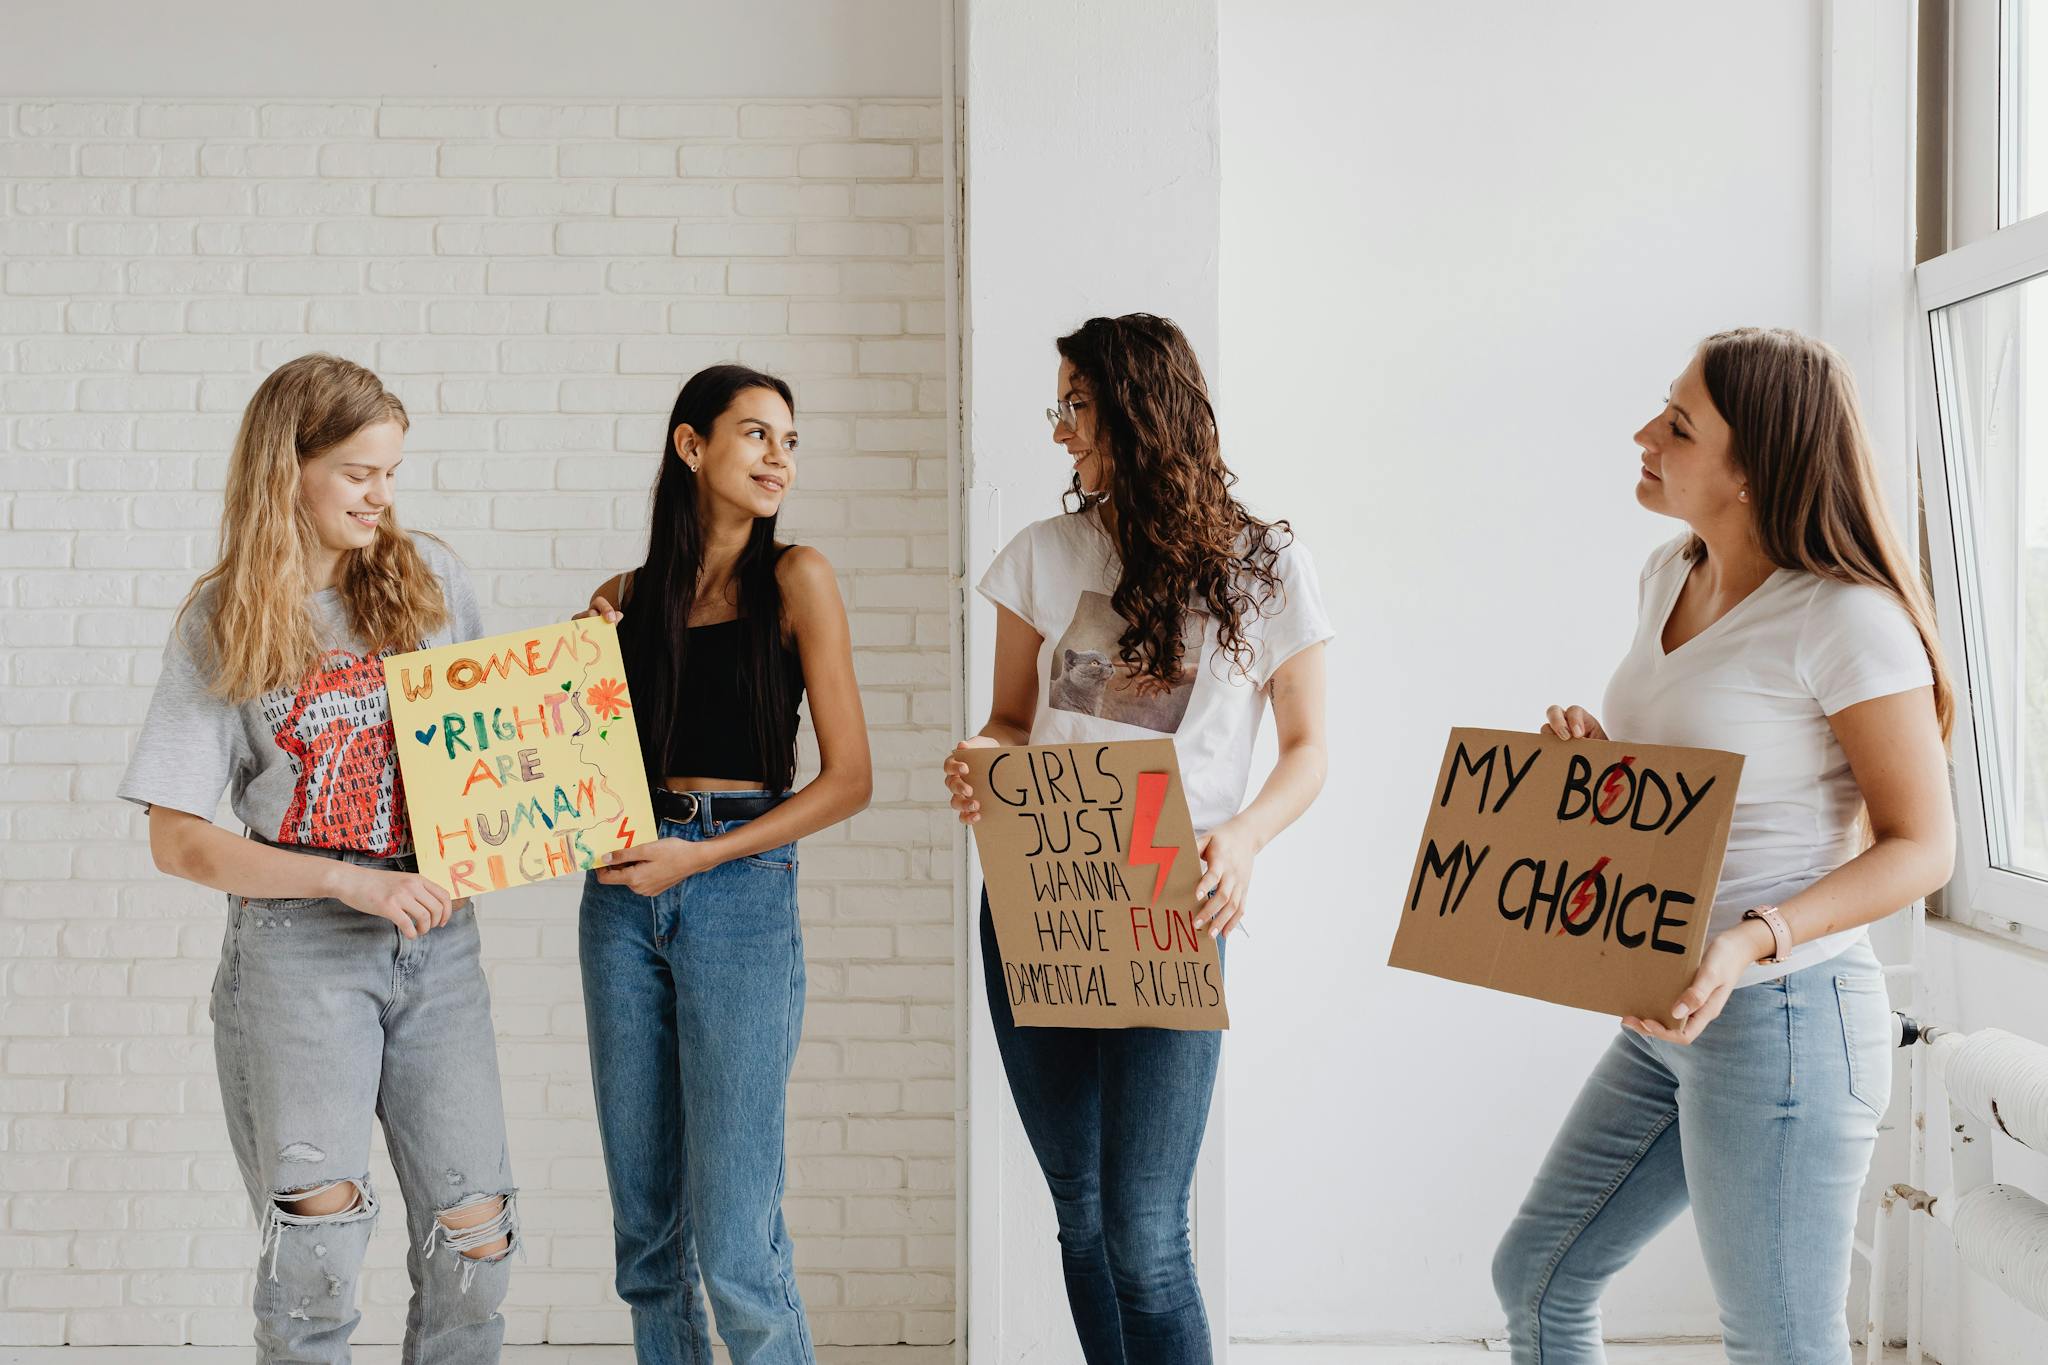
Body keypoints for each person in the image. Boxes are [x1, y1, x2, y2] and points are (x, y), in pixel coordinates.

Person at [1490, 327, 1956, 1364]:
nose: (1642, 433)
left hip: (1783, 1018)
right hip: (1667, 1002)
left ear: (1753, 468)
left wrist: (1750, 939)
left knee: (1780, 1344)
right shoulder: (1669, 573)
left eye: (1678, 423)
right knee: (1538, 1276)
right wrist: (1596, 773)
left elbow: (1920, 847)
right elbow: (1706, 783)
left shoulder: (1844, 620)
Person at [941, 313, 1332, 1363]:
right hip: (1040, 896)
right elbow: (1010, 724)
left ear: (1136, 409)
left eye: (1076, 405)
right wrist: (980, 759)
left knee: (1146, 1237)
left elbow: (1305, 750)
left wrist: (1244, 838)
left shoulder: (1262, 566)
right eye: (1059, 405)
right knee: (1079, 1212)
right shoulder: (1039, 556)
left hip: (1172, 902)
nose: (1061, 430)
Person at [119, 353, 516, 1364]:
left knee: (478, 1241)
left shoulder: (433, 582)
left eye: (391, 471)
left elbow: (494, 763)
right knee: (318, 1254)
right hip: (298, 956)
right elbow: (178, 838)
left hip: (437, 950)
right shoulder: (224, 619)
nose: (383, 494)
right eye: (358, 472)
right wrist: (347, 878)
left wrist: (578, 681)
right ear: (285, 471)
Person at [576, 363, 872, 1365]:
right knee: (647, 1237)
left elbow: (848, 781)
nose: (778, 458)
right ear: (691, 447)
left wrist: (698, 860)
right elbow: (578, 786)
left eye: (789, 441)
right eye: (754, 435)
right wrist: (575, 683)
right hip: (620, 897)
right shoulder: (617, 601)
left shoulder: (798, 579)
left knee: (738, 1239)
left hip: (740, 892)